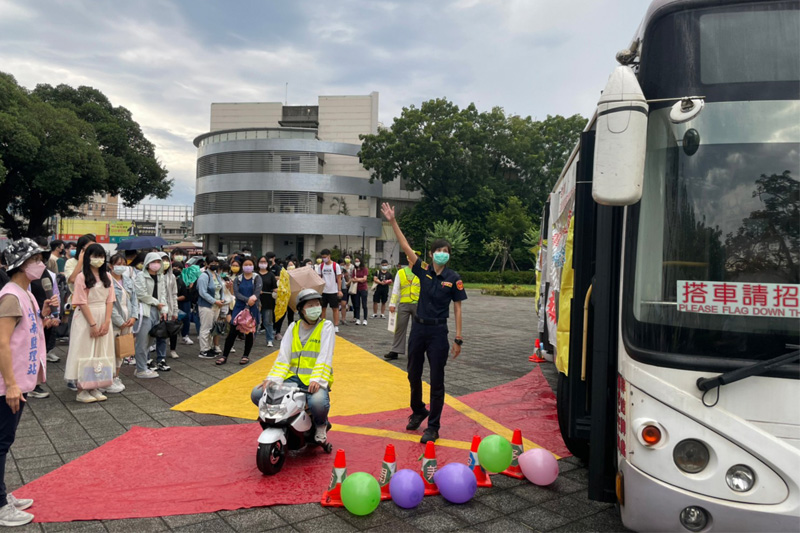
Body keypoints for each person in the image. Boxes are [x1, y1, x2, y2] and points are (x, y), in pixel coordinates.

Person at [381, 203, 466, 443]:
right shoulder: (423, 271)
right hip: (418, 328)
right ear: (431, 253)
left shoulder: (454, 278)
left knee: (437, 379)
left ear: (449, 254)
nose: (442, 253)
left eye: (446, 250)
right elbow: (406, 246)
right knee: (412, 373)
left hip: (439, 331)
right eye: (439, 250)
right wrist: (393, 221)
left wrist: (458, 338)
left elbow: (458, 309)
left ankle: (434, 426)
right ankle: (418, 409)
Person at [0, 238, 52, 526]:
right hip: (9, 384)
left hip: (21, 379)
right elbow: (2, 343)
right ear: (22, 264)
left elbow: (26, 331)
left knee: (5, 441)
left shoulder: (26, 293)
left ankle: (2, 494)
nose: (40, 264)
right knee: (1, 441)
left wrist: (44, 317)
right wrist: (10, 384)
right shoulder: (10, 296)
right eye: (36, 259)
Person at [251, 289, 334, 444]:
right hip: (291, 379)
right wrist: (273, 379)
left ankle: (321, 425)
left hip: (314, 380)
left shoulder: (326, 326)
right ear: (301, 309)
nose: (315, 307)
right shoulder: (293, 327)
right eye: (310, 305)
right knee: (257, 394)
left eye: (317, 304)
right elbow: (283, 357)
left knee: (317, 402)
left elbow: (325, 356)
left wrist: (317, 379)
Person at [64, 244, 117, 402]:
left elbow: (110, 300)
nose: (98, 260)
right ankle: (82, 390)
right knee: (85, 351)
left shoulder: (107, 276)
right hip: (86, 317)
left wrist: (107, 322)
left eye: (101, 256)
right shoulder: (81, 277)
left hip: (103, 316)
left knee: (101, 351)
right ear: (87, 258)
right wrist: (93, 324)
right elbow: (81, 301)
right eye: (95, 256)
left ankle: (94, 385)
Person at [217, 257, 261, 365]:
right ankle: (224, 355)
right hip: (239, 307)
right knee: (233, 331)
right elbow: (236, 293)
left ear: (253, 266)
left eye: (250, 264)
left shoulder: (256, 278)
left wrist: (253, 298)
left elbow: (257, 291)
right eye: (246, 264)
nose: (248, 266)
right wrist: (248, 300)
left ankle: (245, 355)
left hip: (252, 307)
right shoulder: (238, 278)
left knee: (249, 332)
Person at [132, 252, 166, 378]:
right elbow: (141, 294)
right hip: (144, 311)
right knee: (142, 341)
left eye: (158, 262)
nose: (156, 265)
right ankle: (141, 369)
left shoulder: (161, 276)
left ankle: (143, 366)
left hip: (157, 310)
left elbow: (163, 293)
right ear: (147, 263)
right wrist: (157, 303)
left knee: (150, 341)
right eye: (153, 262)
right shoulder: (141, 276)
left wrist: (163, 309)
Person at [108, 253, 137, 393]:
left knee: (122, 351)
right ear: (110, 265)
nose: (121, 267)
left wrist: (134, 317)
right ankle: (108, 378)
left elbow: (134, 300)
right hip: (114, 323)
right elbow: (109, 305)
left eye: (124, 264)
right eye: (118, 264)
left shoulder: (128, 280)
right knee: (111, 351)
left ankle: (116, 376)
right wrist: (119, 321)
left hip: (128, 321)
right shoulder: (107, 281)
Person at [384, 258, 420, 360]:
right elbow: (396, 289)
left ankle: (416, 351)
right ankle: (395, 350)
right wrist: (392, 304)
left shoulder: (422, 272)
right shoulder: (401, 272)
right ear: (408, 258)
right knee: (400, 327)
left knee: (417, 329)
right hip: (404, 303)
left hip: (418, 304)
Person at [196, 253, 224, 359]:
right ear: (206, 264)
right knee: (205, 328)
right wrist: (214, 301)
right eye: (212, 263)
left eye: (216, 263)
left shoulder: (217, 275)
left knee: (212, 328)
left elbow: (220, 289)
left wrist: (221, 300)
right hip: (206, 306)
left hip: (217, 305)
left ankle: (209, 347)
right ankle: (204, 350)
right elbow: (202, 292)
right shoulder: (204, 276)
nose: (214, 264)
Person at [314, 249, 342, 333]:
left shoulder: (335, 265)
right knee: (322, 308)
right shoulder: (321, 266)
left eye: (325, 257)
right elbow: (318, 278)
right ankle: (322, 324)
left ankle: (336, 325)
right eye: (322, 257)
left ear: (329, 256)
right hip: (323, 291)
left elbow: (339, 278)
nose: (324, 259)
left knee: (335, 308)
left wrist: (339, 290)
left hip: (333, 290)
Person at [160, 252, 180, 360]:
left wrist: (175, 310)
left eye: (167, 260)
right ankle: (160, 353)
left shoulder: (171, 276)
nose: (165, 263)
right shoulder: (156, 276)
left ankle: (173, 350)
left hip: (170, 306)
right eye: (163, 260)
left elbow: (174, 294)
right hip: (159, 307)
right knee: (160, 330)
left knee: (173, 329)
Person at [257, 256, 277, 348]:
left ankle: (269, 340)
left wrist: (277, 291)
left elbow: (274, 287)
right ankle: (251, 339)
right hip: (256, 301)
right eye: (261, 261)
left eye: (264, 262)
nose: (263, 263)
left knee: (268, 321)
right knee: (254, 321)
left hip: (268, 301)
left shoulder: (271, 275)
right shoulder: (255, 275)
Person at [351, 257, 369, 325]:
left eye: (358, 261)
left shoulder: (365, 269)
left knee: (364, 305)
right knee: (357, 304)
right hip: (356, 289)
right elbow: (352, 279)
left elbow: (364, 279)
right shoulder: (354, 270)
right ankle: (358, 318)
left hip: (363, 288)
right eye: (355, 261)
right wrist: (359, 279)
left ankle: (365, 319)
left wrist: (357, 279)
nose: (356, 262)